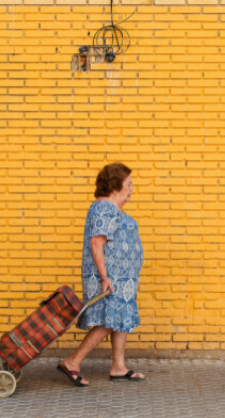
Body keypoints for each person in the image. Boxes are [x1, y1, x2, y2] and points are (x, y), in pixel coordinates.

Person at [57, 162, 146, 386]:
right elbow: (97, 242)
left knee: (118, 319)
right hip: (110, 277)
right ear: (115, 187)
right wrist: (105, 277)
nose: (132, 189)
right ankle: (72, 361)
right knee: (109, 319)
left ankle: (118, 367)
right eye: (129, 184)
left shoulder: (111, 209)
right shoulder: (104, 208)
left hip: (122, 279)